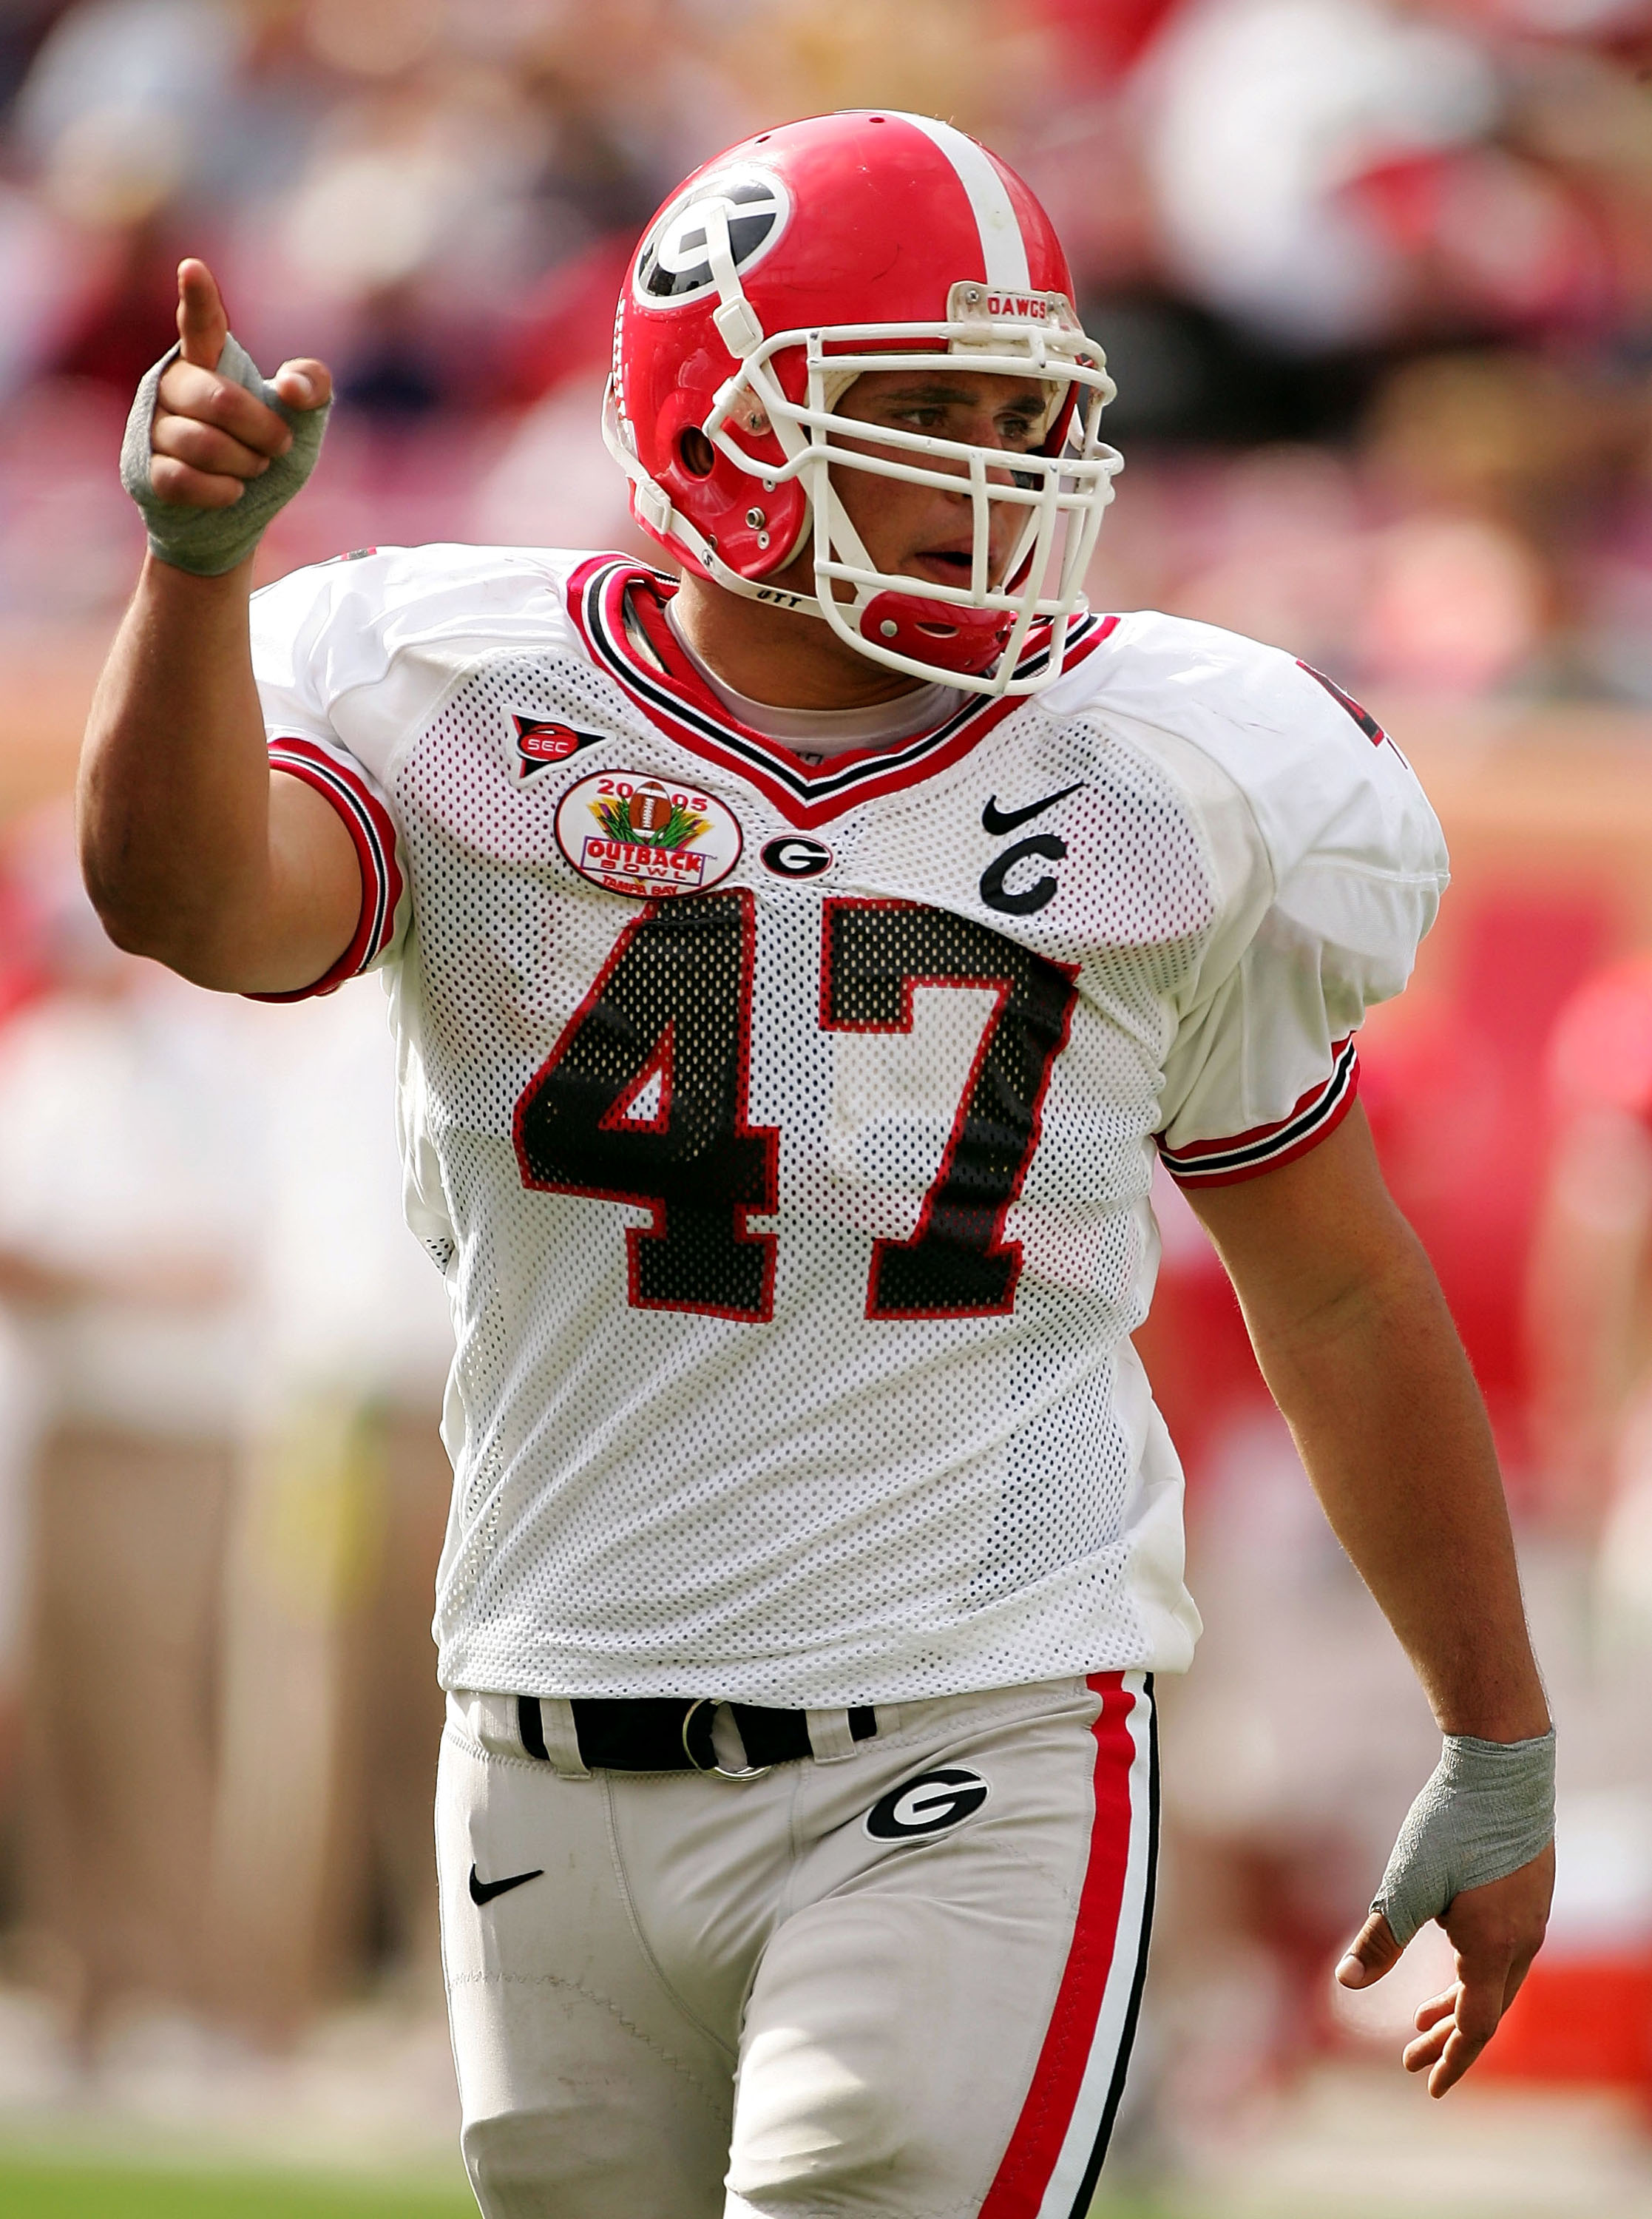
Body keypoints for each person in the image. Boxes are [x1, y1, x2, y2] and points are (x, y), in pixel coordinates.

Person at [79, 109, 1553, 2219]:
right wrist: (197, 579)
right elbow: (200, 906)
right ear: (722, 426)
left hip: (977, 1729)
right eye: (924, 412)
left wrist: (1492, 1738)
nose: (1001, 475)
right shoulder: (460, 685)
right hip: (543, 1720)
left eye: (1021, 410)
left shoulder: (1174, 771)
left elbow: (1332, 1279)